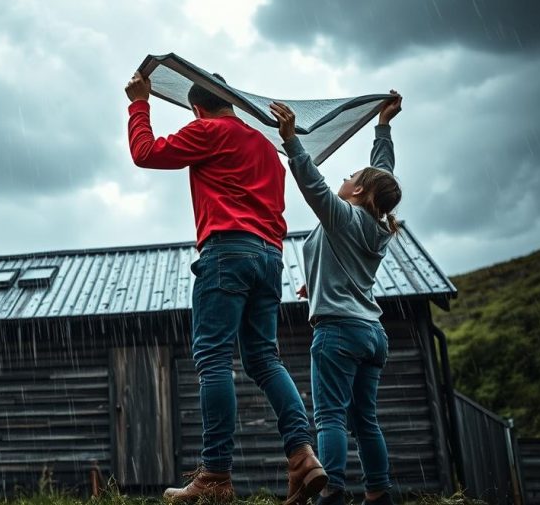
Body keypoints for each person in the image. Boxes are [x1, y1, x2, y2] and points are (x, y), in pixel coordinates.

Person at [125, 71, 327, 505]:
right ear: (232, 104)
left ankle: (215, 474)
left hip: (227, 251)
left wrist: (140, 103)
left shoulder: (208, 131)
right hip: (271, 258)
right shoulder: (264, 147)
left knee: (214, 358)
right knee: (264, 359)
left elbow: (144, 153)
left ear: (197, 108)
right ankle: (303, 455)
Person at [269, 91, 404, 505]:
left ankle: (331, 492)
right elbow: (383, 174)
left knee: (329, 416)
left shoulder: (342, 215)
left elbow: (314, 186)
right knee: (365, 420)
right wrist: (383, 125)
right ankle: (379, 492)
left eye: (349, 176)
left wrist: (292, 142)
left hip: (339, 331)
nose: (342, 178)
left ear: (358, 189)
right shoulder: (377, 224)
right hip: (371, 333)